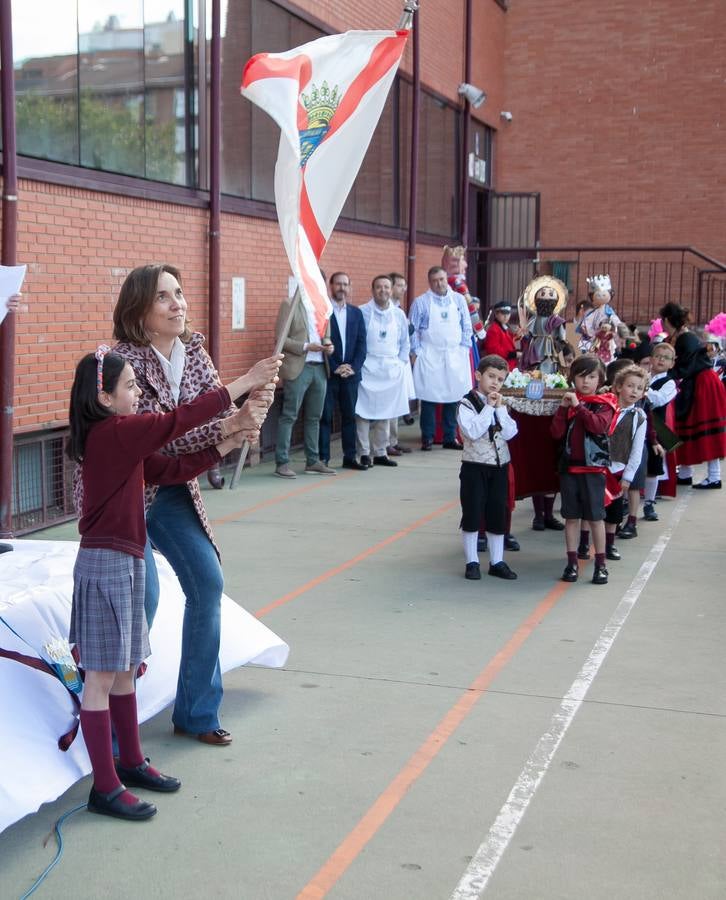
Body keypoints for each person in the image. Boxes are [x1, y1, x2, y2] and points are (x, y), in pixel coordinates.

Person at [66, 347, 268, 820]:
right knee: (99, 677)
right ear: (105, 396)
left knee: (123, 669)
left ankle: (131, 762)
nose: (138, 394)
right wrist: (243, 384)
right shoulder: (113, 434)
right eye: (131, 386)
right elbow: (178, 420)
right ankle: (105, 785)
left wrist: (228, 443)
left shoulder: (123, 441)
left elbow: (171, 470)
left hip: (128, 561)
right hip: (105, 566)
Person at [112, 263, 281, 746]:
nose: (178, 304)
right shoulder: (122, 363)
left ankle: (197, 712)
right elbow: (163, 437)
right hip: (125, 494)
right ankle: (106, 710)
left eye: (180, 294)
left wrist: (245, 417)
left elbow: (219, 412)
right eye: (164, 297)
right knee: (141, 598)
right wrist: (232, 421)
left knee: (208, 582)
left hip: (172, 490)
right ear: (139, 310)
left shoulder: (196, 352)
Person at [550, 355, 618, 585]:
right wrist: (562, 409)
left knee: (596, 518)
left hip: (593, 469)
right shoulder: (570, 403)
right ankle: (571, 563)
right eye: (581, 376)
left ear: (600, 379)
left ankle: (600, 565)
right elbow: (556, 433)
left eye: (592, 377)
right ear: (573, 378)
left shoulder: (605, 402)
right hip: (570, 468)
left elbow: (597, 426)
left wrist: (578, 407)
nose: (586, 382)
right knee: (571, 518)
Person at [458, 355, 519, 581]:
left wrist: (500, 409)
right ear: (478, 376)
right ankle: (472, 561)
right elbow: (472, 432)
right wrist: (488, 408)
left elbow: (511, 433)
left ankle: (497, 561)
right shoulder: (466, 403)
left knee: (497, 512)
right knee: (472, 511)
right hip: (475, 465)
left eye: (500, 379)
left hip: (499, 466)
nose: (495, 383)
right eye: (491, 376)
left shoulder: (500, 404)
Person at [410, 266, 473, 450]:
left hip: (454, 354)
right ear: (430, 282)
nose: (439, 283)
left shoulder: (459, 300)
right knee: (429, 398)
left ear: (447, 279)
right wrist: (417, 352)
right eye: (435, 280)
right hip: (430, 354)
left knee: (453, 398)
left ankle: (450, 437)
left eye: (442, 279)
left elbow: (466, 325)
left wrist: (463, 348)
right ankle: (427, 437)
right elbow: (412, 329)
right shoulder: (421, 302)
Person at [274, 290, 336, 478]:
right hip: (298, 367)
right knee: (289, 415)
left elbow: (326, 336)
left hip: (320, 368)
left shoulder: (323, 308)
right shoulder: (289, 304)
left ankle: (313, 461)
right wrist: (306, 346)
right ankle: (282, 462)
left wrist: (329, 345)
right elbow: (281, 338)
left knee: (314, 417)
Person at [355, 275, 414, 467]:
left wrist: (400, 363)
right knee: (362, 413)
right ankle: (364, 452)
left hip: (390, 369)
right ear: (373, 290)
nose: (383, 291)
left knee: (386, 413)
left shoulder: (399, 315)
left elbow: (406, 342)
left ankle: (380, 452)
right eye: (379, 287)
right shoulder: (363, 312)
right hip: (367, 368)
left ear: (391, 290)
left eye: (386, 287)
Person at [318, 272, 367, 470]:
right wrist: (337, 364)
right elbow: (321, 340)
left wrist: (352, 367)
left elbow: (362, 345)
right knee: (326, 417)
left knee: (349, 417)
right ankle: (324, 458)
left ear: (350, 287)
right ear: (331, 286)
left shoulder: (356, 313)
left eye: (345, 284)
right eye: (338, 284)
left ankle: (349, 457)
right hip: (330, 373)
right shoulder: (323, 311)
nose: (342, 288)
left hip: (351, 375)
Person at [603, 365, 650, 561]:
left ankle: (610, 544)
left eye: (639, 388)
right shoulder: (605, 407)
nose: (634, 391)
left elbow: (637, 451)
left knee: (614, 512)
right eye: (630, 386)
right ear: (618, 386)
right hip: (598, 467)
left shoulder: (639, 416)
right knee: (592, 509)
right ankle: (584, 541)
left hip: (618, 470)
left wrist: (628, 476)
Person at [670, 328, 726, 489]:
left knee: (707, 432)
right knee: (687, 431)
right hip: (704, 390)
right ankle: (685, 474)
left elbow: (682, 371)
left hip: (703, 393)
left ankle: (714, 477)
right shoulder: (698, 359)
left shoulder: (694, 363)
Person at [642, 342, 678, 520]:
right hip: (639, 424)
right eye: (658, 356)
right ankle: (625, 500)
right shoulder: (644, 377)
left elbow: (660, 400)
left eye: (666, 358)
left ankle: (649, 502)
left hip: (656, 426)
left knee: (654, 466)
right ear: (651, 359)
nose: (661, 360)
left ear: (672, 363)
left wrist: (643, 391)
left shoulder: (669, 382)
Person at [386, 271, 414, 454]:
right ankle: (386, 443)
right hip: (389, 362)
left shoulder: (399, 308)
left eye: (404, 285)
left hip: (400, 362)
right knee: (388, 403)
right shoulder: (386, 309)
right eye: (399, 285)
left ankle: (393, 440)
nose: (403, 289)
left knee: (397, 401)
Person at [518, 275, 567, 374]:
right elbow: (528, 333)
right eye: (543, 293)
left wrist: (556, 346)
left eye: (551, 294)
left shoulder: (557, 320)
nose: (547, 296)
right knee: (535, 367)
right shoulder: (534, 318)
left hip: (550, 347)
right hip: (535, 346)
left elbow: (561, 337)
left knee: (548, 365)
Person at [578, 274, 622, 361]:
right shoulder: (593, 313)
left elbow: (616, 321)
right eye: (598, 294)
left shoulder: (609, 312)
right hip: (596, 337)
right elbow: (587, 323)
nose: (601, 296)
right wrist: (591, 333)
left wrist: (616, 328)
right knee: (594, 355)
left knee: (608, 354)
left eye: (604, 294)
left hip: (607, 337)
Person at [481, 300, 519, 370]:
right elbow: (494, 351)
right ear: (496, 314)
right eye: (503, 313)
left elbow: (507, 342)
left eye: (508, 314)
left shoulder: (504, 327)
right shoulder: (493, 329)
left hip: (508, 365)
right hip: (500, 367)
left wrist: (519, 335)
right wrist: (514, 354)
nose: (506, 316)